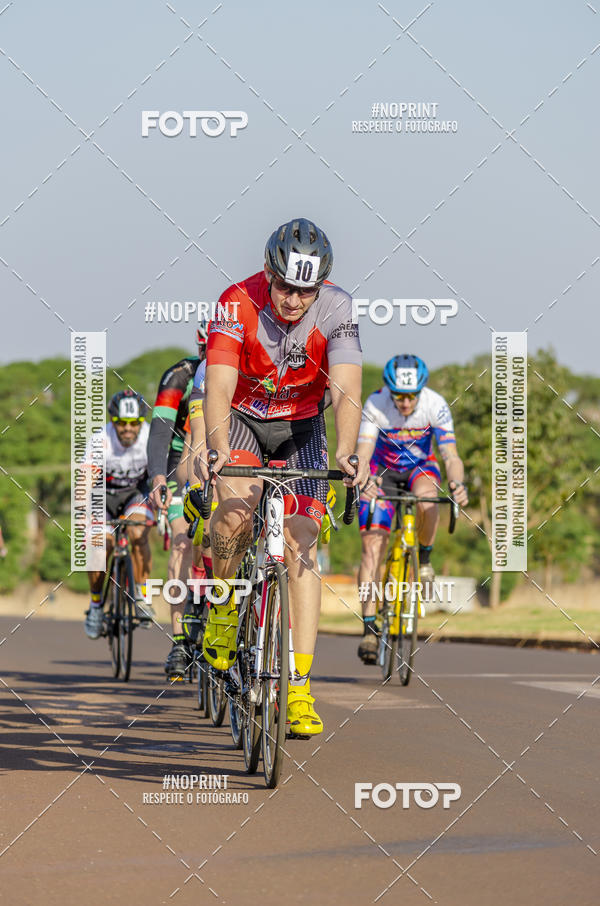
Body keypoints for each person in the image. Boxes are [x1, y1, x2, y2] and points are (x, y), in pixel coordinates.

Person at [189, 217, 368, 737]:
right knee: (233, 518)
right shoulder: (234, 301)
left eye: (305, 290)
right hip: (243, 419)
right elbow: (218, 388)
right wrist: (220, 450)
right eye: (286, 286)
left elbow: (346, 389)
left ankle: (299, 688)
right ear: (268, 272)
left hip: (301, 424)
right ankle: (223, 608)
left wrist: (349, 451)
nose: (293, 299)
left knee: (302, 541)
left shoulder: (338, 307)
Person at [355, 354, 468, 663]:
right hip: (382, 472)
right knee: (371, 546)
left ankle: (426, 557)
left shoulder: (436, 405)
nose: (405, 403)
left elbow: (451, 455)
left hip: (420, 469)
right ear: (389, 390)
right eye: (399, 396)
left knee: (429, 499)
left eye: (411, 396)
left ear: (421, 391)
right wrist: (364, 480)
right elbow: (363, 451)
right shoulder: (376, 404)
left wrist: (458, 484)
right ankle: (368, 627)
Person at [147, 325, 209, 678]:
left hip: (225, 458)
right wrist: (158, 476)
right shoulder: (179, 376)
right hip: (177, 461)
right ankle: (181, 640)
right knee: (184, 541)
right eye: (206, 348)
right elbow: (159, 430)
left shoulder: (246, 371)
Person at [84, 389, 155, 639]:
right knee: (101, 545)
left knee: (138, 534)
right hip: (102, 497)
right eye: (121, 423)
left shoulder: (149, 437)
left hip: (135, 495)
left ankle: (142, 596)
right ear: (113, 421)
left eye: (133, 423)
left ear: (140, 422)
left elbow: (160, 477)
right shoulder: (100, 439)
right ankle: (95, 606)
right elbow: (86, 482)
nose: (127, 428)